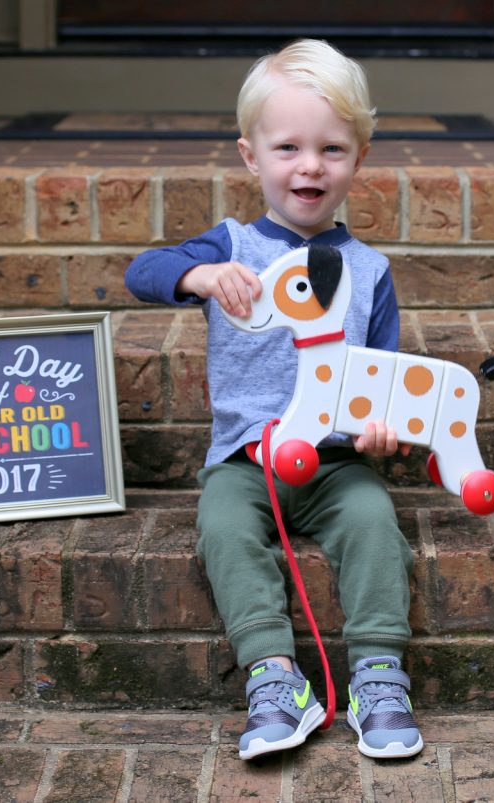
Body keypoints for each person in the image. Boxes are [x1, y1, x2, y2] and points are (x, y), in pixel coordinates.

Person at [124, 39, 422, 761]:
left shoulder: (369, 270)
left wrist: (382, 432)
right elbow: (142, 271)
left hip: (333, 461)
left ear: (361, 157)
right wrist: (198, 279)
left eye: (332, 148)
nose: (310, 165)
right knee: (223, 529)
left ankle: (379, 674)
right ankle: (273, 672)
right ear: (251, 156)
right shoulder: (229, 247)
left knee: (374, 519)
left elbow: (381, 374)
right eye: (287, 146)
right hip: (245, 459)